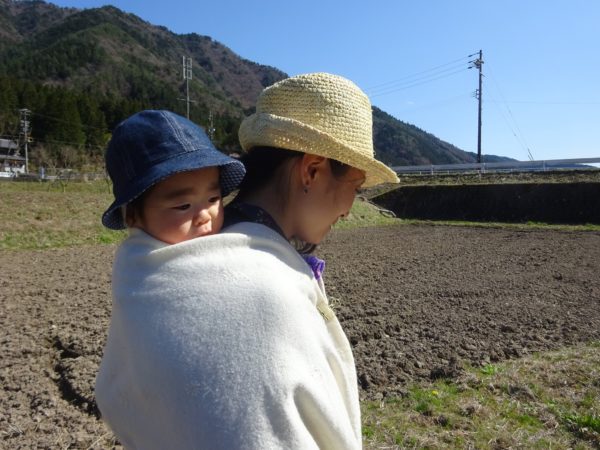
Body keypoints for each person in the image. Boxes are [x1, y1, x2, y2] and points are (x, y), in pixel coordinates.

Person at [96, 74, 399, 450]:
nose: (349, 210)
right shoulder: (260, 288)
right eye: (354, 187)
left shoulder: (197, 255)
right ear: (312, 170)